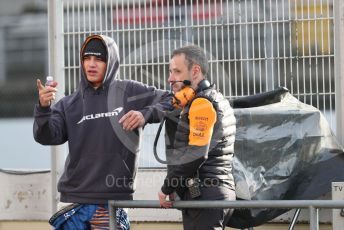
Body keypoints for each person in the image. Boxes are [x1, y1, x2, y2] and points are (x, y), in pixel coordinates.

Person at [34, 34, 168, 229]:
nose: (92, 64)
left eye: (99, 59)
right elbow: (45, 136)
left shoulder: (129, 91)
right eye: (87, 59)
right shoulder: (68, 104)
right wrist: (43, 108)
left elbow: (172, 100)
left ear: (111, 62)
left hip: (111, 202)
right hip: (74, 200)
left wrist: (145, 114)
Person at [158, 45, 236, 230]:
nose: (170, 78)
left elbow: (195, 156)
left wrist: (167, 187)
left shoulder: (202, 103)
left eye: (176, 72)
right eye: (170, 72)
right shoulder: (213, 98)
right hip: (210, 195)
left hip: (206, 198)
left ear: (195, 71)